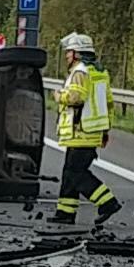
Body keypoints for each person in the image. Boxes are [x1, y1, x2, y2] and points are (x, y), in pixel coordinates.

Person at [52, 32, 123, 225]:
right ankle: (65, 213)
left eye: (69, 52)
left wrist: (60, 97)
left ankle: (107, 202)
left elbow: (76, 98)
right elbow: (108, 103)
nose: (66, 56)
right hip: (92, 131)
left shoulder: (80, 71)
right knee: (69, 172)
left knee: (76, 173)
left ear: (77, 53)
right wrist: (105, 130)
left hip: (80, 131)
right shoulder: (99, 72)